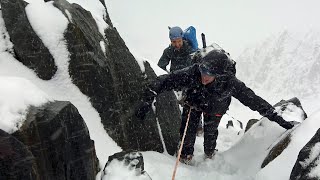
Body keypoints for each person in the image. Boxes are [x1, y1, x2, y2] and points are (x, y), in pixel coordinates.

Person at [135, 49, 294, 164]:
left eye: (209, 73)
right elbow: (166, 80)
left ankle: (209, 154)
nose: (204, 76)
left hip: (216, 107)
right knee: (187, 130)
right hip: (194, 102)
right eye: (203, 70)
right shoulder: (193, 73)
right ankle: (185, 157)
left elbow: (254, 101)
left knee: (210, 133)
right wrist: (148, 97)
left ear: (219, 74)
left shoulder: (230, 83)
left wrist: (278, 119)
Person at [158, 26, 204, 135]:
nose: (177, 44)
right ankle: (180, 126)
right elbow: (160, 66)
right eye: (174, 42)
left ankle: (197, 126)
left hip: (189, 81)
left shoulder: (191, 50)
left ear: (182, 38)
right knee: (178, 104)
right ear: (170, 41)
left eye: (179, 41)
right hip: (176, 81)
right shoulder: (169, 51)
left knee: (192, 103)